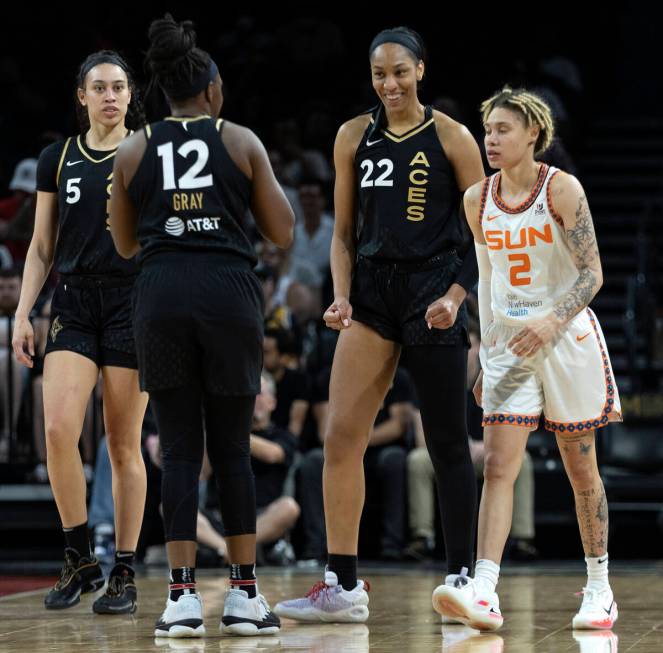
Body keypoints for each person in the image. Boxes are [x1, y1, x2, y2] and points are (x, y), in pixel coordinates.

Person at [274, 26, 485, 623]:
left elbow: (483, 233)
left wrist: (456, 294)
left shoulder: (453, 137)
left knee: (445, 440)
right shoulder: (352, 136)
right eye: (378, 73)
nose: (388, 83)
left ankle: (462, 577)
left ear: (421, 70)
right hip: (370, 294)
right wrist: (340, 296)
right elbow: (342, 234)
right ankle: (342, 584)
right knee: (341, 437)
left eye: (398, 71)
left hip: (431, 292)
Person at [109, 14, 294, 638]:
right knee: (233, 449)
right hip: (227, 294)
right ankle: (243, 594)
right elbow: (284, 230)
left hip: (161, 295)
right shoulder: (239, 139)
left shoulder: (133, 148)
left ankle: (182, 598)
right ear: (212, 89)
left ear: (160, 93)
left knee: (181, 450)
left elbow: (127, 245)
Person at [433, 87, 621, 631]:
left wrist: (552, 319)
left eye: (503, 129)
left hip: (566, 340)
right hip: (511, 346)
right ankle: (485, 588)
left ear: (533, 133)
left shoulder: (562, 189)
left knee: (579, 466)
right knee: (496, 466)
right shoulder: (477, 200)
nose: (490, 139)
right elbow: (487, 279)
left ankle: (600, 587)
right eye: (488, 130)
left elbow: (592, 274)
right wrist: (488, 351)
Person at [12, 50, 148, 614]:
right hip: (72, 301)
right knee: (58, 428)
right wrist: (23, 312)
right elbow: (42, 246)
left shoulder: (147, 153)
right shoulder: (57, 157)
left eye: (119, 87)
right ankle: (79, 558)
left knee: (122, 444)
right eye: (100, 87)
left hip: (130, 304)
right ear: (82, 96)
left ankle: (123, 568)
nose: (111, 96)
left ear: (130, 95)